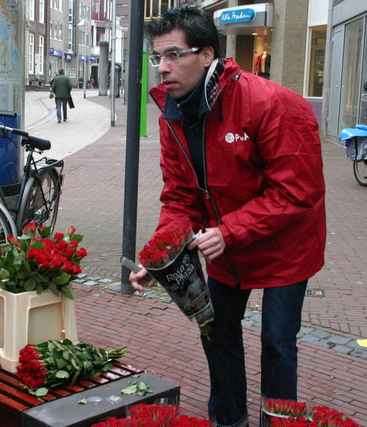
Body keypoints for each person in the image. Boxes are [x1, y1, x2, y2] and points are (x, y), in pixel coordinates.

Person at [129, 6, 326, 427]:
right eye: (157, 57)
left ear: (206, 55)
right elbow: (180, 196)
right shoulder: (172, 112)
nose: (162, 68)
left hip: (284, 246)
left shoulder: (273, 104)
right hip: (226, 244)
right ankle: (229, 418)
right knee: (216, 330)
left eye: (173, 55)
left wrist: (228, 231)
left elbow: (296, 191)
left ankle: (280, 422)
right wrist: (161, 254)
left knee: (276, 342)